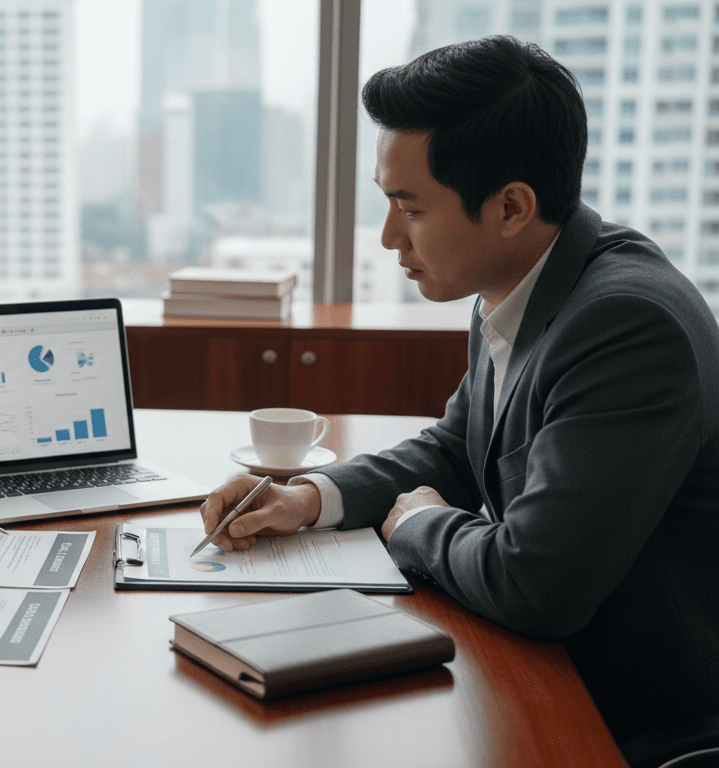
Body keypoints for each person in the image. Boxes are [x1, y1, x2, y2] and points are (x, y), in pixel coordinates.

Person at [200, 36, 719, 744]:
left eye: (410, 209)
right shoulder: (521, 281)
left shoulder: (626, 325)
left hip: (637, 722)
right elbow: (458, 449)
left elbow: (538, 587)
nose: (390, 237)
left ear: (511, 207)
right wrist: (308, 499)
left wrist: (420, 524)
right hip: (545, 675)